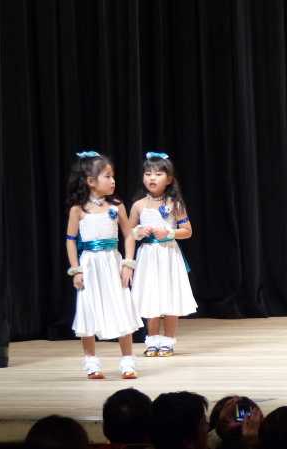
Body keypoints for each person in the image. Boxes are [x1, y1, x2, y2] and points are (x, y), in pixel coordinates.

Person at [65, 150, 143, 379]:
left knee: (121, 306)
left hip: (112, 263)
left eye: (113, 176)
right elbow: (70, 240)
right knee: (88, 309)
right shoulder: (78, 210)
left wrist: (128, 263)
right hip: (90, 265)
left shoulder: (116, 206)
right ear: (91, 181)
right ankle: (91, 362)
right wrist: (76, 270)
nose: (113, 181)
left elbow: (129, 235)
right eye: (107, 176)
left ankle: (127, 362)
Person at [129, 151, 197, 357]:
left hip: (168, 256)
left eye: (158, 174)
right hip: (148, 257)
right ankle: (152, 340)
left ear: (168, 179)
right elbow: (128, 233)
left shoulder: (175, 204)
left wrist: (169, 233)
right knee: (151, 297)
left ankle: (167, 341)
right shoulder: (138, 205)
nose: (152, 177)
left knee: (169, 296)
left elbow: (188, 231)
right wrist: (138, 232)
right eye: (148, 173)